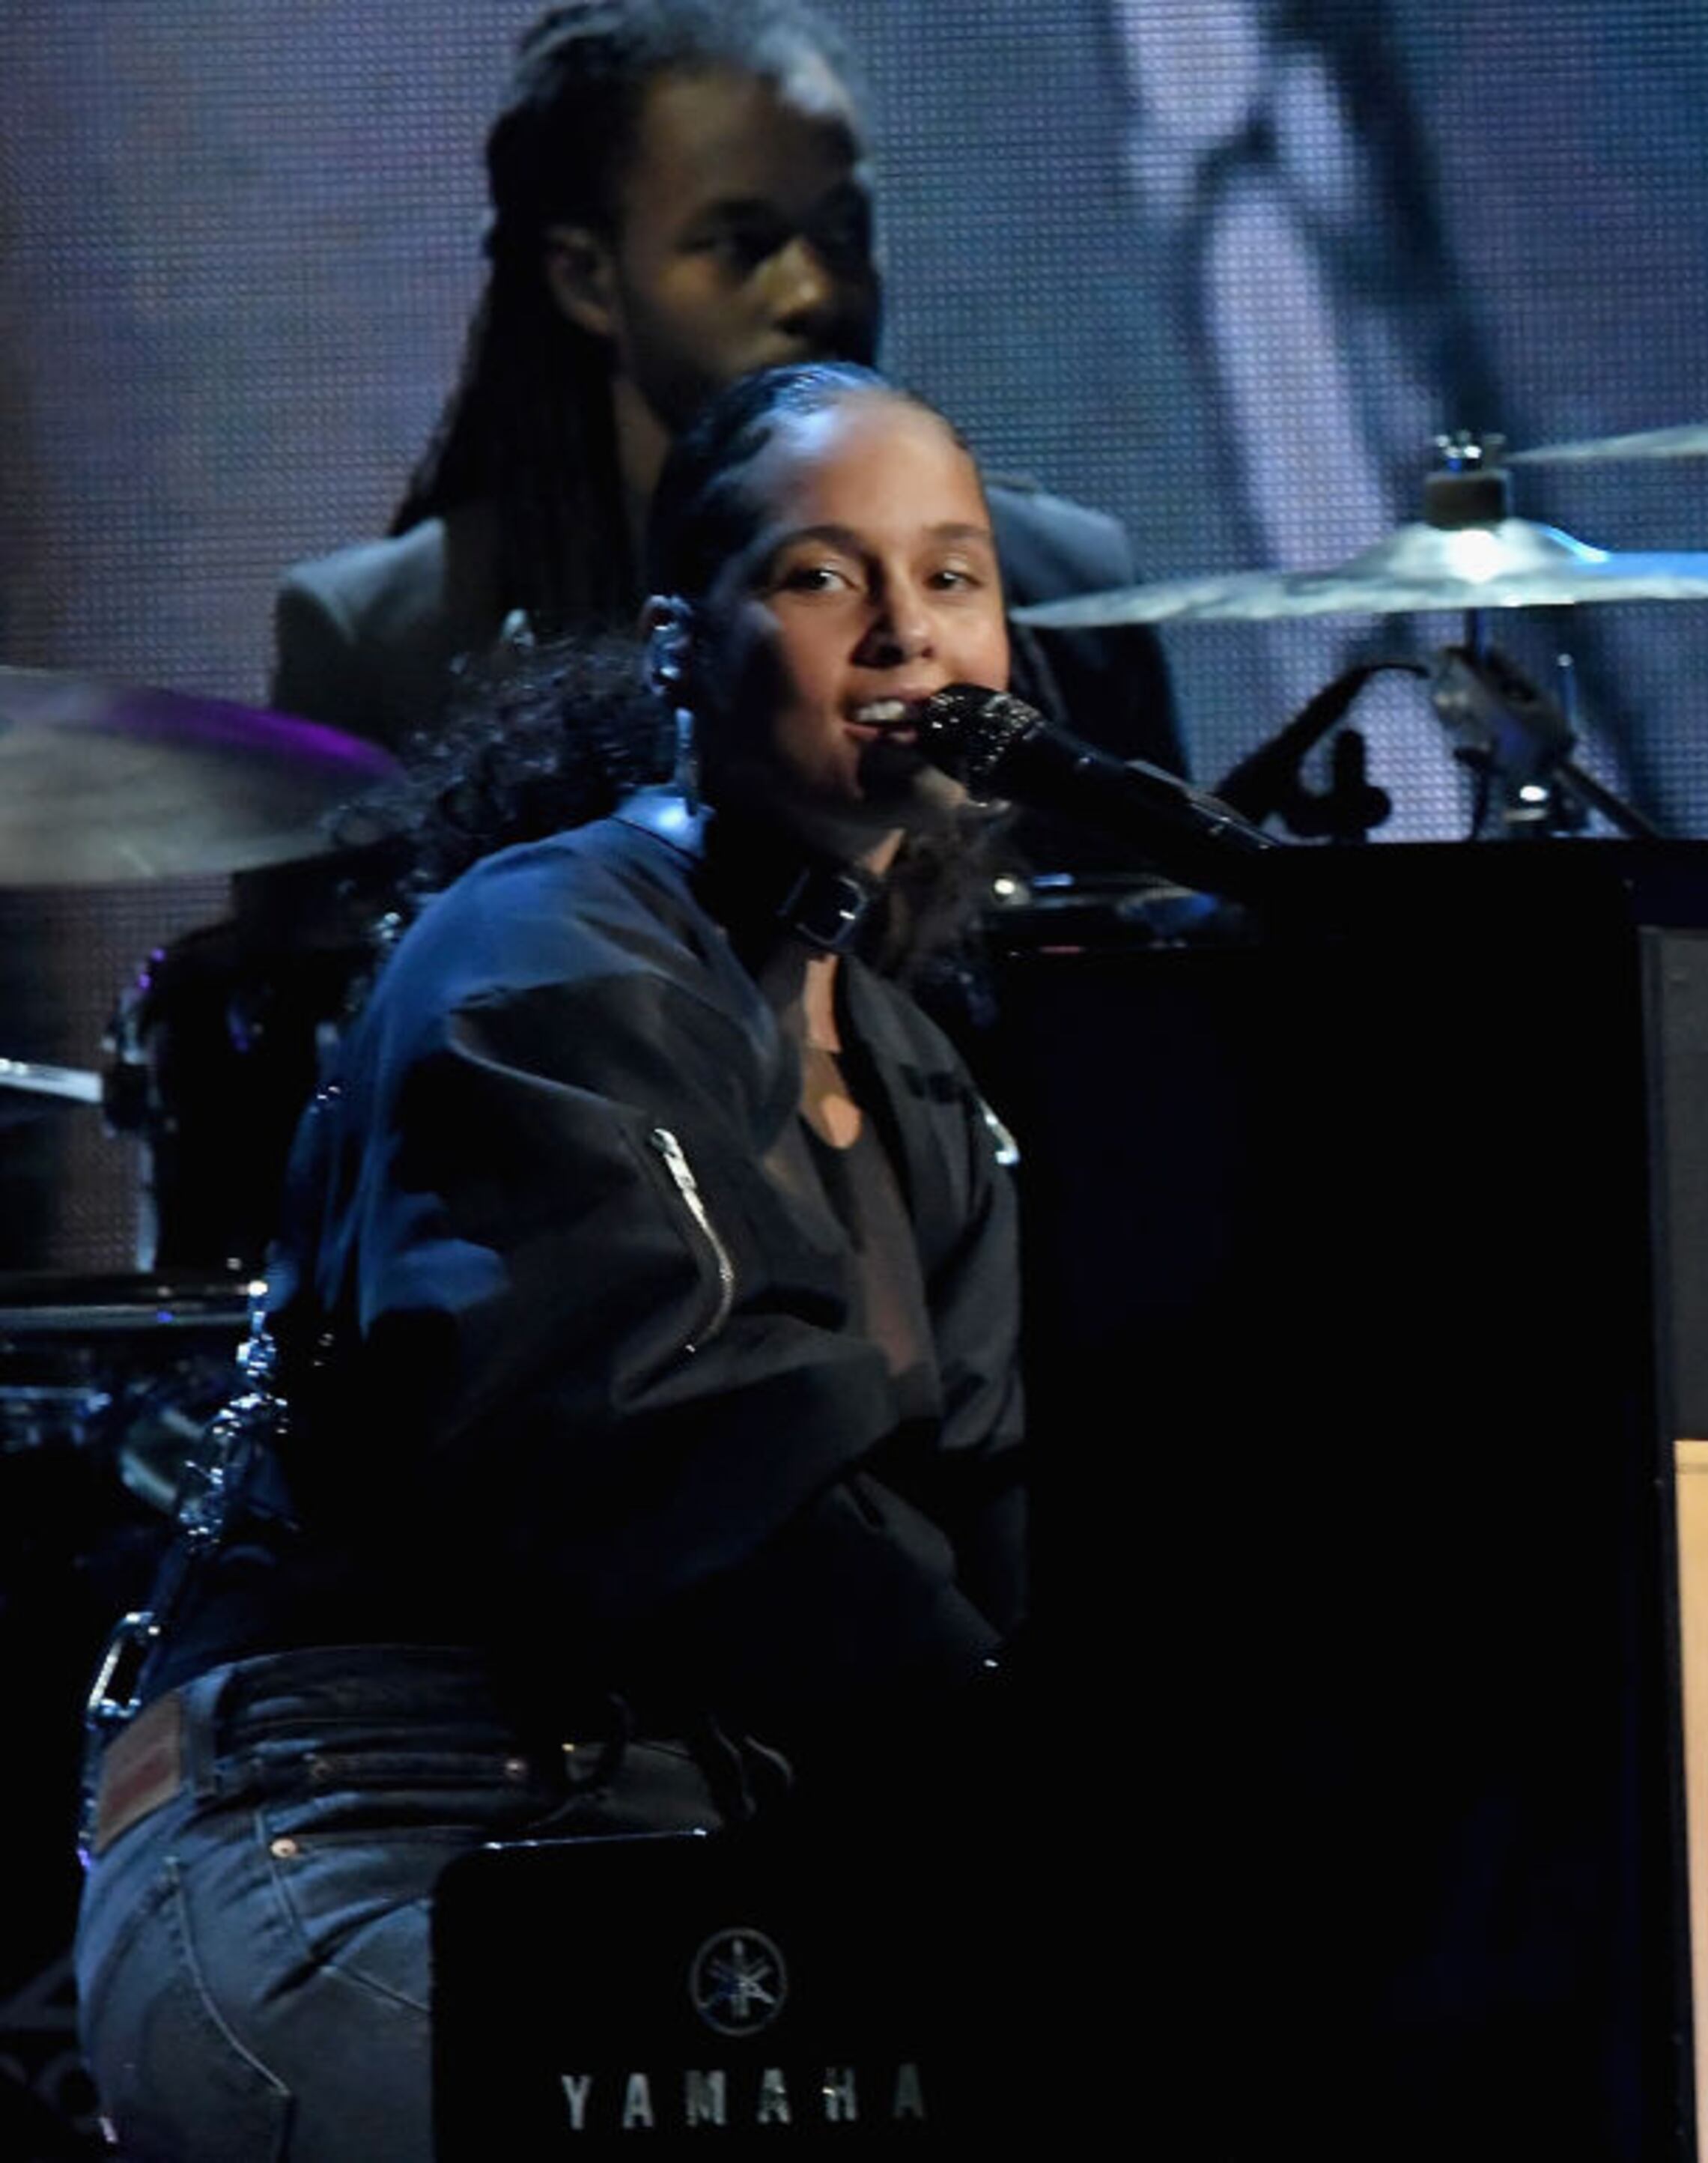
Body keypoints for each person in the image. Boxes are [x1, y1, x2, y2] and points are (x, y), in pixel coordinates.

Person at [73, 361, 1032, 2162]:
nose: (909, 631)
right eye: (828, 574)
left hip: (670, 1865)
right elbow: (709, 1462)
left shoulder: (916, 1089)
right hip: (356, 1841)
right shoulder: (547, 963)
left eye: (955, 576)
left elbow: (1000, 1523)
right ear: (685, 644)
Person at [270, 0, 1182, 808]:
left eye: (844, 232)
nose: (814, 294)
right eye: (743, 245)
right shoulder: (386, 637)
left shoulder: (1063, 579)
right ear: (588, 279)